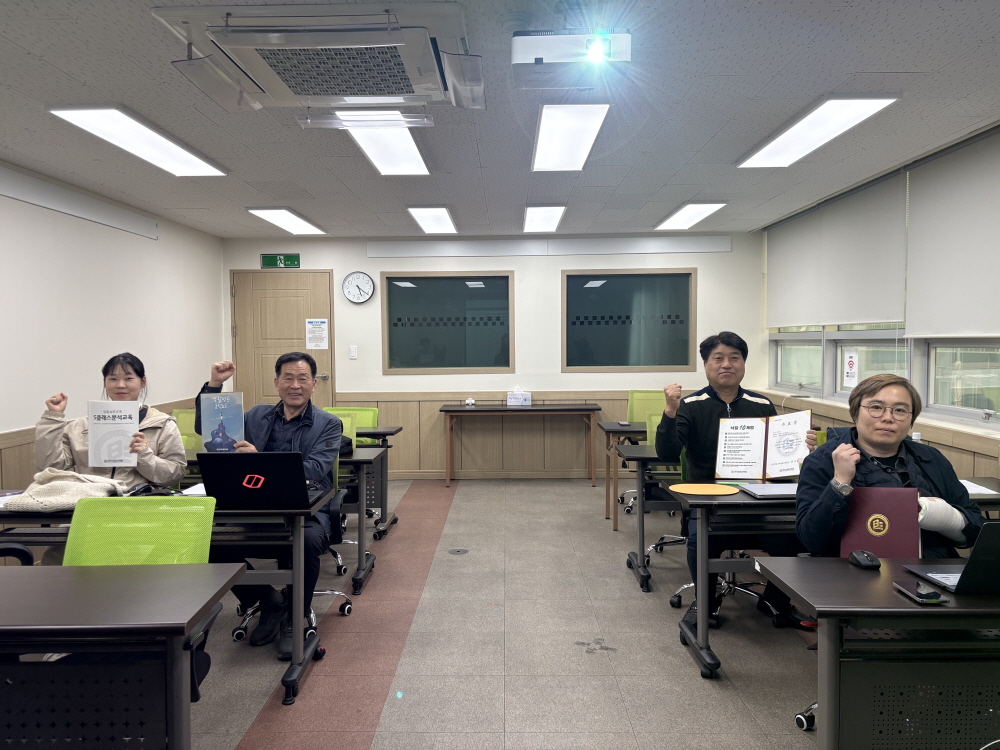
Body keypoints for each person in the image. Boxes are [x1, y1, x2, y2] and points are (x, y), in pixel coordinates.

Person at [655, 331, 815, 628]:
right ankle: (705, 603)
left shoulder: (761, 404)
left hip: (758, 503)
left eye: (734, 358)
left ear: (743, 364)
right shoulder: (691, 404)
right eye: (718, 358)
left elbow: (777, 461)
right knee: (700, 541)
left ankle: (776, 601)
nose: (727, 364)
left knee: (792, 536)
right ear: (706, 365)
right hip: (709, 504)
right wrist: (670, 411)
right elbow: (666, 454)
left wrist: (802, 449)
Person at [195, 352, 342, 661]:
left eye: (302, 378)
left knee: (307, 541)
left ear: (314, 384)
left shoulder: (328, 424)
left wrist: (258, 461)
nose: (295, 385)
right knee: (209, 541)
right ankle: (267, 600)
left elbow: (315, 470)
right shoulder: (255, 416)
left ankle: (294, 617)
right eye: (288, 378)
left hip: (306, 509)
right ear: (276, 383)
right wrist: (214, 386)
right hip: (255, 507)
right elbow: (206, 427)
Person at [797, 373, 984, 557]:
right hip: (851, 569)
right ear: (855, 412)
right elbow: (812, 540)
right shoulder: (823, 460)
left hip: (930, 568)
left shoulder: (931, 459)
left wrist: (939, 515)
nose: (888, 417)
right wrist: (840, 483)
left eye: (900, 410)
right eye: (876, 407)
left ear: (911, 419)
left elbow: (975, 531)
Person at [35, 352, 186, 489]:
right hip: (91, 501)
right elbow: (50, 466)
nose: (120, 385)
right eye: (113, 379)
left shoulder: (162, 424)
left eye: (128, 378)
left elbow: (175, 475)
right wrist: (53, 418)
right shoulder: (80, 426)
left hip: (138, 502)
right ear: (105, 382)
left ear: (143, 382)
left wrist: (144, 455)